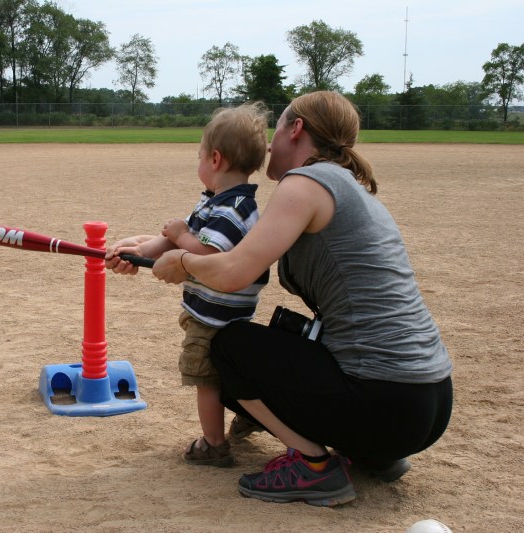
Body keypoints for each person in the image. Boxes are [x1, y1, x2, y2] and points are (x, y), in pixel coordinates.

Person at [150, 91, 453, 507]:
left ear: (296, 130)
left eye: (277, 129)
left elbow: (232, 271)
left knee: (228, 345)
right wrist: (152, 247)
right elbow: (228, 243)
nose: (269, 144)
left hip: (386, 401)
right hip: (425, 401)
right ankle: (372, 453)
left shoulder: (305, 184)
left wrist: (181, 261)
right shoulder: (347, 186)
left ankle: (315, 468)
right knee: (282, 336)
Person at [106, 102, 271, 467]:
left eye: (198, 157)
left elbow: (207, 252)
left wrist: (180, 235)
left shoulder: (235, 209)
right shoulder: (216, 201)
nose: (197, 164)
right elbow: (172, 241)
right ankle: (252, 417)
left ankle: (214, 444)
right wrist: (132, 251)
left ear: (215, 159)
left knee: (204, 378)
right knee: (224, 373)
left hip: (215, 317)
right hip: (215, 312)